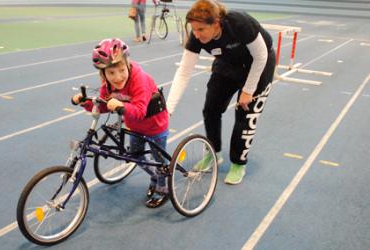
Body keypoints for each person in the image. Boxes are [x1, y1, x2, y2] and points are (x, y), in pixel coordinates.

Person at [166, 0, 276, 185]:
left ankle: (238, 163)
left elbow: (261, 56)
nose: (197, 34)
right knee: (211, 109)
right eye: (194, 29)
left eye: (201, 29)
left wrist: (248, 90)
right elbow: (184, 72)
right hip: (227, 63)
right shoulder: (196, 36)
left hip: (258, 65)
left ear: (216, 24)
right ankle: (213, 152)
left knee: (245, 115)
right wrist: (168, 109)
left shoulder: (239, 23)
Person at [72, 38, 170, 208]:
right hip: (135, 126)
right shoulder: (108, 85)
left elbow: (140, 111)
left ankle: (163, 189)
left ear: (128, 64)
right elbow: (103, 105)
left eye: (121, 70)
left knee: (159, 161)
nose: (117, 77)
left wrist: (121, 105)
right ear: (103, 74)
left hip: (155, 125)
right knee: (136, 156)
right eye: (111, 73)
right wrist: (85, 103)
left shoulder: (140, 79)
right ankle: (155, 176)